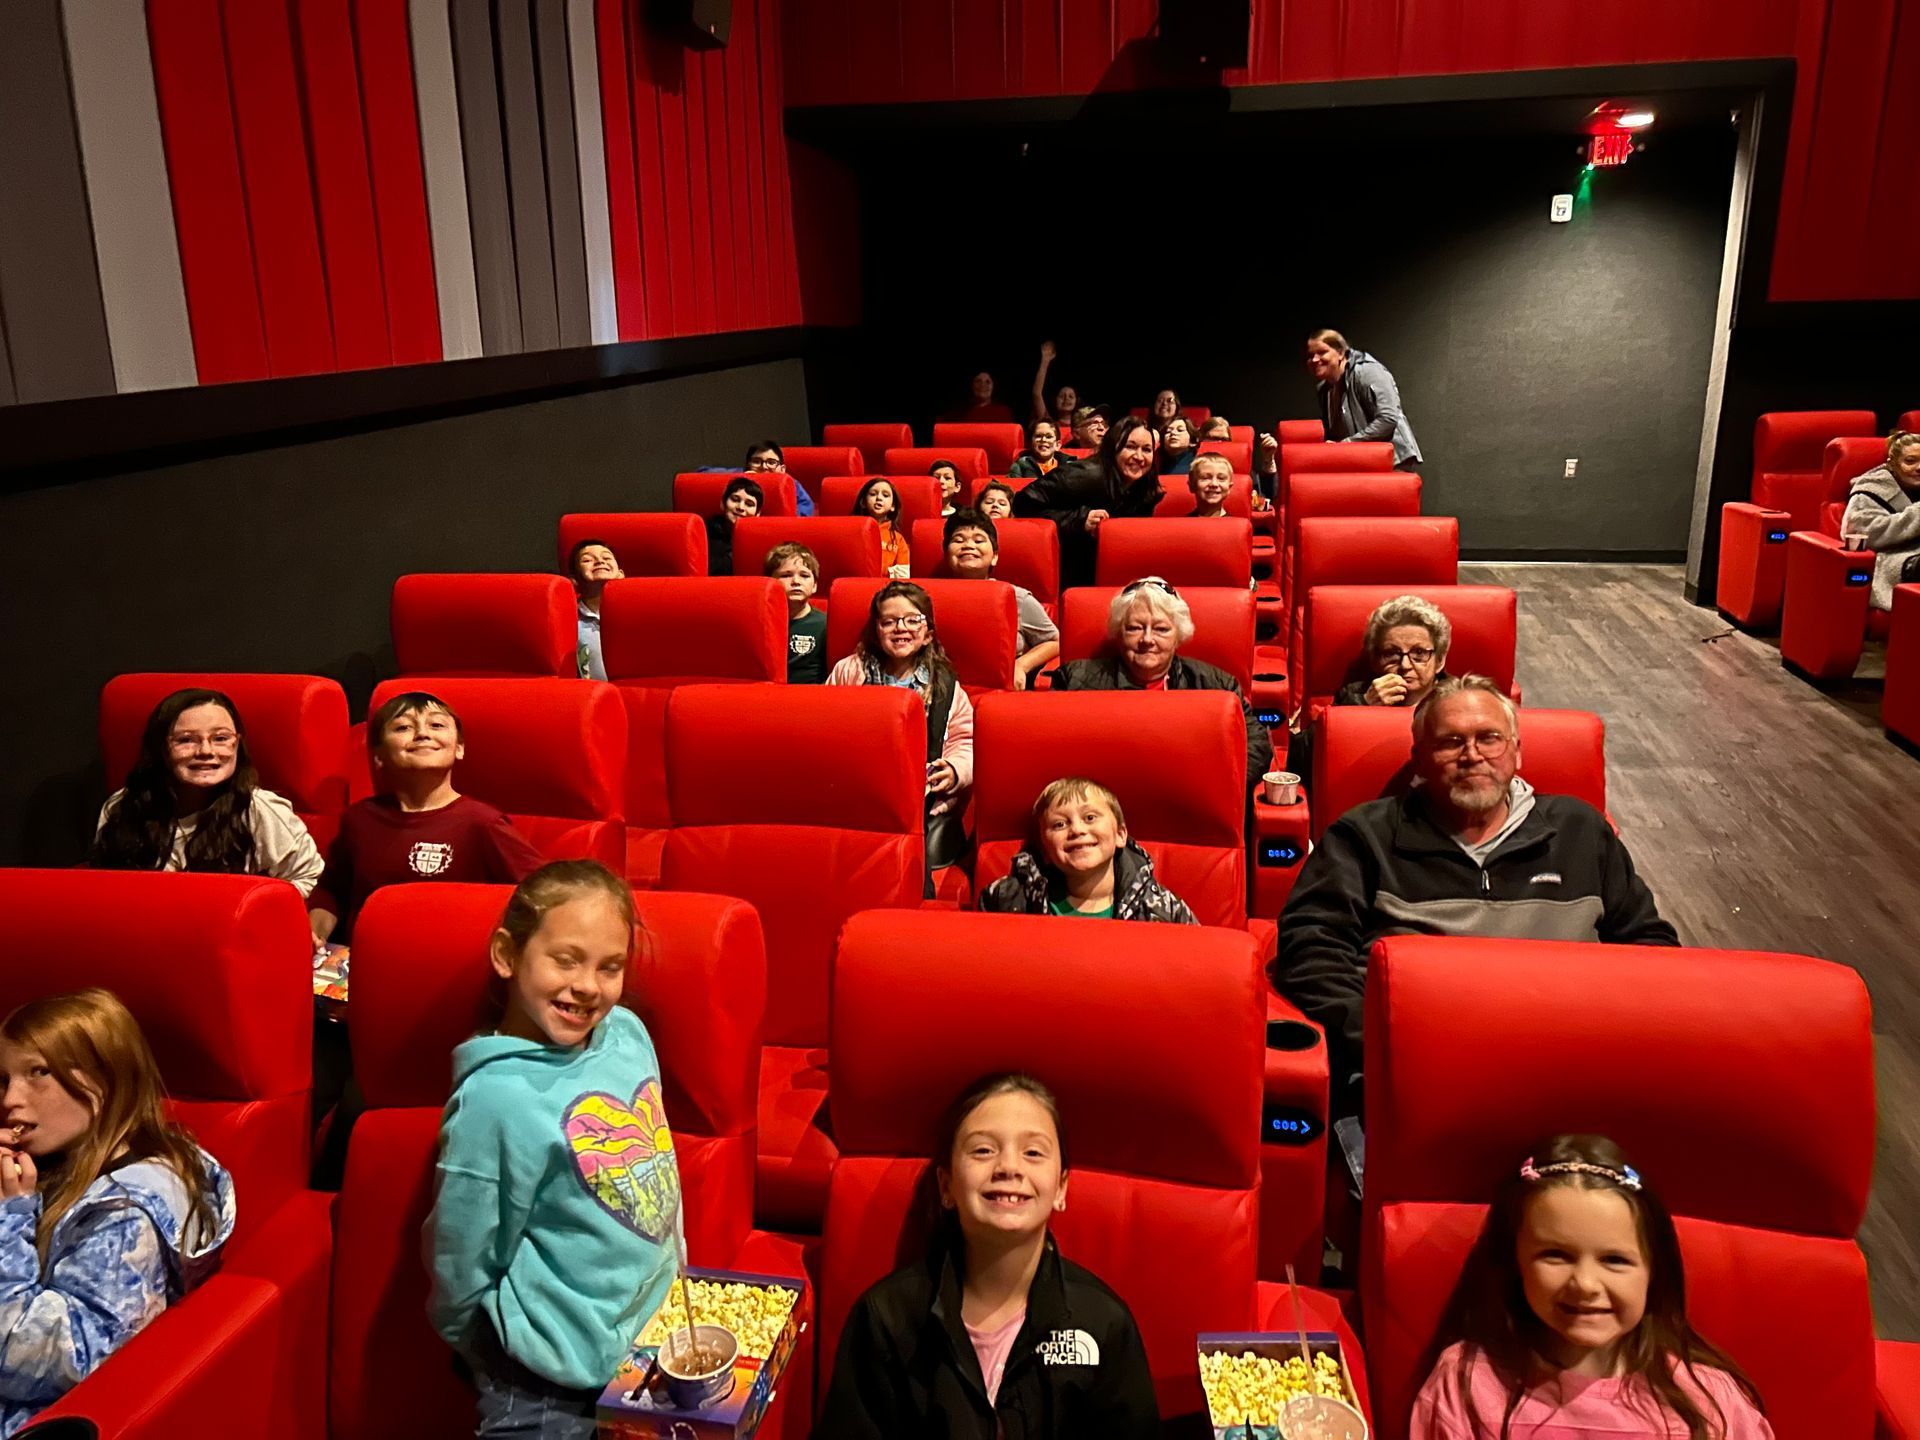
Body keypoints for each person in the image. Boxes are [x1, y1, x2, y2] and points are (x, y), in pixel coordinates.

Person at [1273, 676, 1678, 1115]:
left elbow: (1650, 949)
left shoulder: (1580, 830)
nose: (1472, 756)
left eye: (1489, 738)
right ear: (1420, 759)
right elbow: (1311, 951)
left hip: (1569, 1075)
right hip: (1419, 1081)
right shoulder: (1364, 836)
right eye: (1450, 742)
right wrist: (1389, 1042)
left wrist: (1602, 1044)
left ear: (1517, 752)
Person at [427, 861, 681, 1440]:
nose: (588, 985)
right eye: (565, 960)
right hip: (544, 1380)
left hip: (646, 1344)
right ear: (507, 954)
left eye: (609, 966)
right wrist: (483, 1347)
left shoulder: (627, 1033)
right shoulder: (492, 1099)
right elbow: (460, 1252)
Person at [816, 1072, 1158, 1438]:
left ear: (1061, 1188)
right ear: (946, 1186)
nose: (1009, 1167)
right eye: (983, 1150)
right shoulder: (887, 1318)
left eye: (1033, 1153)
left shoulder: (1103, 1324)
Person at [1413, 1134, 1772, 1439]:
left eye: (1615, 1260)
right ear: (1515, 1261)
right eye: (1555, 1255)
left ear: (1653, 1272)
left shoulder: (1707, 1400)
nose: (1584, 1284)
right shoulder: (1467, 1381)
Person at [0, 988, 236, 1438]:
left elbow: (36, 1362)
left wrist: (8, 1218)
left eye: (37, 1072)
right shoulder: (53, 1167)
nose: (11, 1098)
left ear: (104, 1079)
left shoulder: (127, 1214)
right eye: (3, 1079)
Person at [307, 692, 543, 946]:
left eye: (437, 725)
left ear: (459, 748)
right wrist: (314, 936)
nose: (422, 734)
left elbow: (544, 890)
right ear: (377, 755)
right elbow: (333, 892)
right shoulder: (360, 819)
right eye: (403, 727)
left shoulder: (481, 822)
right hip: (365, 956)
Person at [89, 688, 323, 898]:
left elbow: (307, 878)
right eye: (186, 740)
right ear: (162, 748)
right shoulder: (122, 806)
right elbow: (104, 886)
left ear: (237, 744)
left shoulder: (259, 810)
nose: (206, 751)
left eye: (220, 738)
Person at [1053, 578, 1274, 783]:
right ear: (1119, 633)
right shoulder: (1073, 681)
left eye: (1161, 629)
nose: (1147, 639)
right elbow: (1054, 747)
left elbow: (1257, 744)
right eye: (1135, 628)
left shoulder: (1218, 686)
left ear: (1178, 635)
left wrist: (1212, 784)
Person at [827, 582, 974, 872]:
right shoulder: (850, 671)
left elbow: (965, 739)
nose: (900, 628)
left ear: (928, 634)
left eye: (912, 620)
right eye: (889, 622)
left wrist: (954, 769)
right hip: (861, 791)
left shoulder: (945, 685)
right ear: (876, 631)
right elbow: (826, 725)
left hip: (923, 799)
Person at [979, 778, 1197, 922]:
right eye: (1059, 824)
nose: (1077, 829)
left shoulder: (1161, 909)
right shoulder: (1007, 900)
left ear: (1120, 835)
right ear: (1044, 850)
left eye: (1090, 817)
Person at [1013, 417, 1163, 590]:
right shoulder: (1085, 475)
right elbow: (1022, 503)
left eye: (1147, 449)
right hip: (1068, 572)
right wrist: (1079, 519)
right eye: (1130, 447)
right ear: (1113, 447)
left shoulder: (1146, 488)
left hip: (1115, 576)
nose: (1139, 456)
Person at [943, 510, 1059, 691]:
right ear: (946, 555)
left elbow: (1055, 641)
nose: (968, 545)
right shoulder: (930, 598)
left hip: (1000, 690)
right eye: (958, 540)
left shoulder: (1015, 597)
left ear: (994, 557)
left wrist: (1021, 665)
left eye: (978, 540)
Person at [1305, 328, 1422, 471]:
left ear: (1340, 353)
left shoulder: (1367, 372)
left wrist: (1348, 444)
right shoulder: (1324, 390)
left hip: (1393, 462)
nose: (1314, 360)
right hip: (1362, 462)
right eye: (1310, 355)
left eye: (1322, 352)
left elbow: (1388, 419)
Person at [1840, 429, 1920, 610]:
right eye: (1910, 461)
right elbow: (1862, 534)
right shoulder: (1870, 491)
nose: (1919, 467)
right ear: (1892, 464)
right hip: (1890, 560)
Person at [1336, 593, 1453, 707]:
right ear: (1375, 661)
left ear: (1439, 661)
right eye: (1392, 654)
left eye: (1419, 652)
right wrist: (1364, 704)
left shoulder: (1458, 699)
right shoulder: (1352, 696)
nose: (1405, 666)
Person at [767, 542, 827, 685]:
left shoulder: (825, 625)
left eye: (804, 575)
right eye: (786, 575)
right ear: (770, 581)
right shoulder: (761, 623)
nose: (796, 581)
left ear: (815, 585)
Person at [566, 539, 623, 681]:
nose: (599, 561)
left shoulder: (638, 615)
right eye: (587, 560)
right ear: (574, 579)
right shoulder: (569, 620)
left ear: (620, 574)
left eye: (606, 558)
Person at [853, 476, 913, 578]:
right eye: (873, 494)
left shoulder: (898, 540)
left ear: (893, 506)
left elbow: (903, 574)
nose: (879, 498)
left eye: (885, 495)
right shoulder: (853, 531)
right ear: (863, 502)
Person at [706, 477, 763, 577]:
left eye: (749, 504)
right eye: (735, 500)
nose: (741, 507)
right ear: (723, 503)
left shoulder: (761, 540)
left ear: (757, 513)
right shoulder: (704, 532)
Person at [741, 441, 814, 515]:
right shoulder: (738, 476)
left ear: (782, 469)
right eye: (756, 462)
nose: (764, 467)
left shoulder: (790, 484)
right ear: (747, 465)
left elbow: (806, 506)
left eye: (771, 462)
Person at [1029, 341, 1078, 430]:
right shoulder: (1049, 424)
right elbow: (1036, 394)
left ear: (1077, 401)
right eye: (1061, 396)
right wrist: (1045, 360)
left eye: (1071, 396)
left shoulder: (1082, 426)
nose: (1066, 399)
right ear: (1055, 400)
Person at [948, 371, 1015, 425]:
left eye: (987, 382)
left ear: (993, 386)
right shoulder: (958, 413)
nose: (983, 385)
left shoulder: (1003, 412)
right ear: (972, 385)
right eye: (978, 381)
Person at [1187, 453, 1236, 518]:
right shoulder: (1182, 523)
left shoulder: (1237, 524)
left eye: (1221, 478)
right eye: (1205, 478)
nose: (1214, 484)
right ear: (1192, 486)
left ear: (1229, 487)